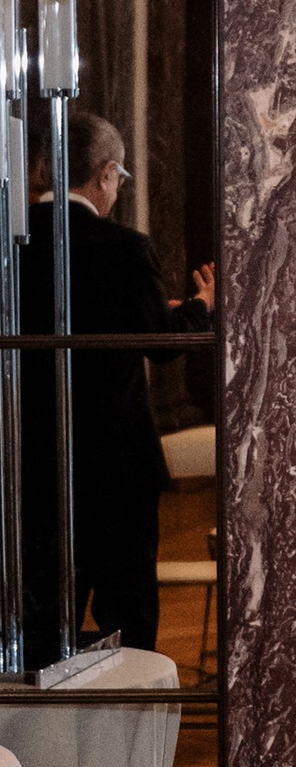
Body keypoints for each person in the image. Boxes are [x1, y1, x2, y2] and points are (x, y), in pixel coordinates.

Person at [20, 104, 212, 672]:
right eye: (120, 178)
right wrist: (199, 309)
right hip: (117, 470)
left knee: (39, 618)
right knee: (127, 621)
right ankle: (121, 750)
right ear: (105, 173)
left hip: (34, 464)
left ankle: (37, 747)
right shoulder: (127, 249)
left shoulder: (14, 249)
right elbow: (161, 343)